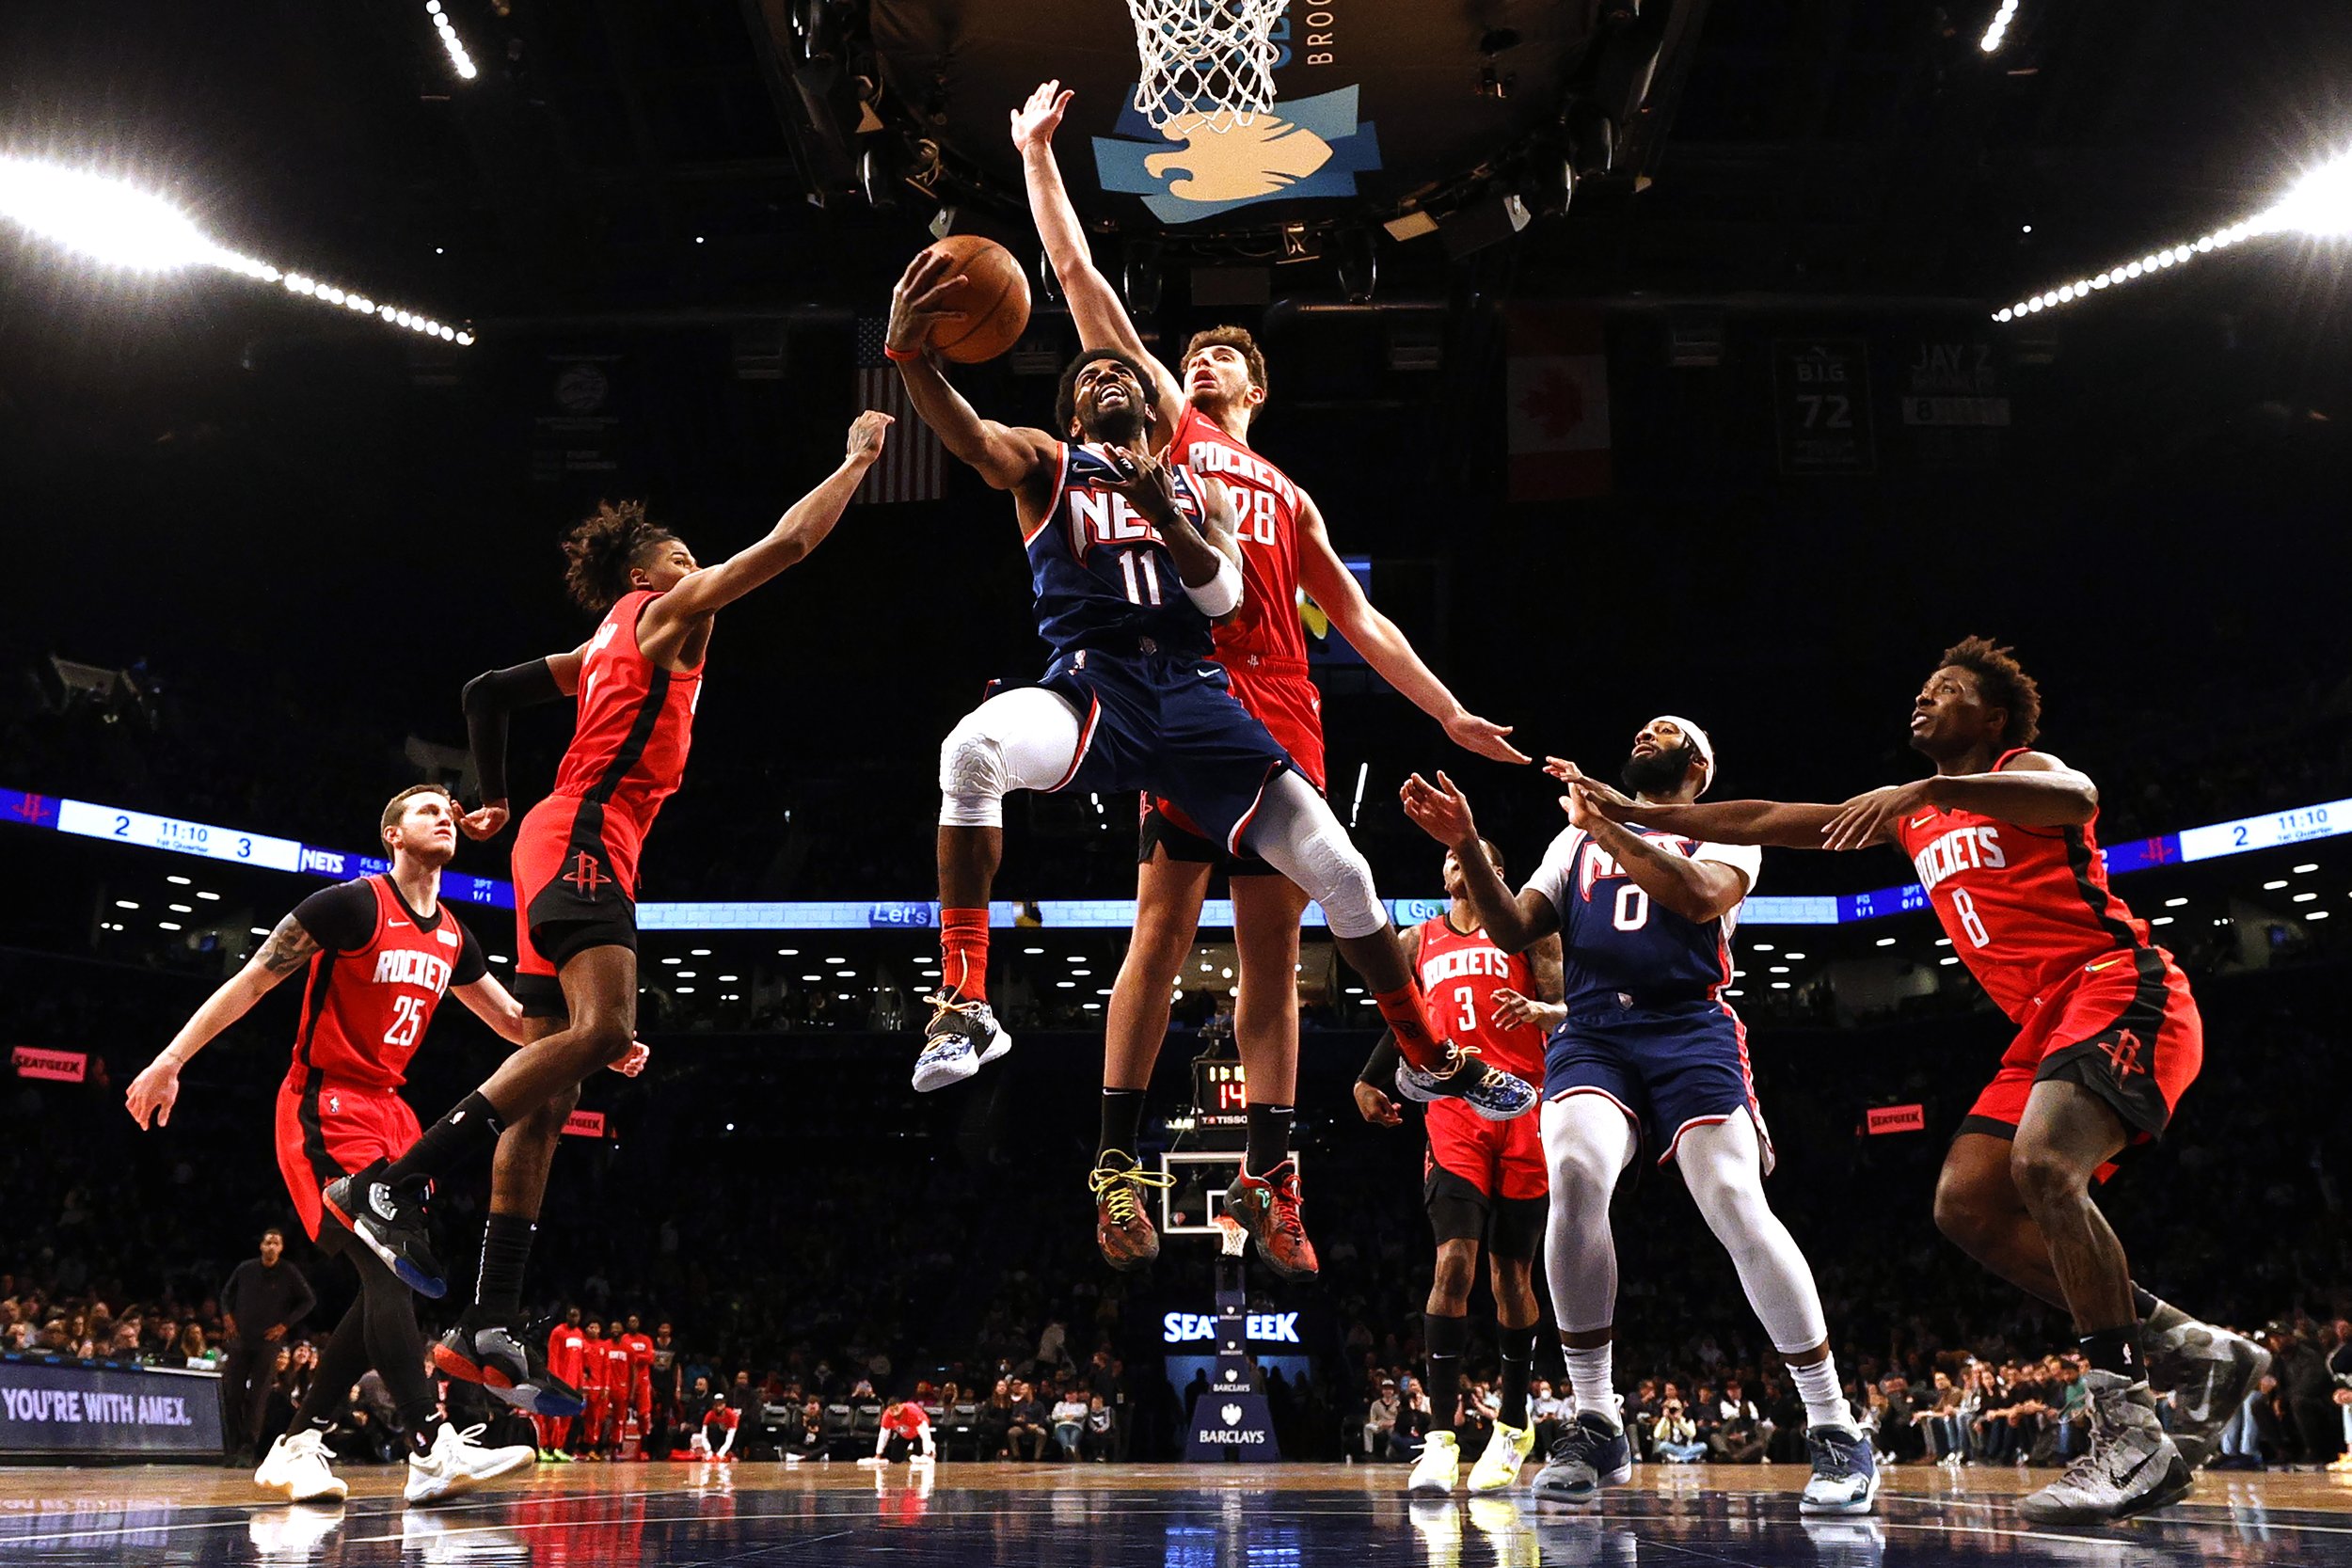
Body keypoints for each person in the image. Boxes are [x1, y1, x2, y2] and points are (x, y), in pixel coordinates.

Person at [1007, 80, 1528, 1280]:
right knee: (1158, 927)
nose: (1203, 355)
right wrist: (1039, 159)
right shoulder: (1165, 430)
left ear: (1259, 391)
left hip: (1284, 718)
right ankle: (1115, 1159)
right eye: (1191, 350)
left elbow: (1363, 618)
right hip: (1185, 698)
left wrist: (1445, 709)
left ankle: (1271, 1177)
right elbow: (1083, 281)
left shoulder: (1288, 495)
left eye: (1224, 354)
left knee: (1273, 970)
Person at [883, 256, 1534, 1208]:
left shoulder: (1208, 487)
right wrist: (907, 355)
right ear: (1071, 417)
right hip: (1094, 687)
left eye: (1116, 373)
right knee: (968, 751)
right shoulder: (1048, 463)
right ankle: (968, 1002)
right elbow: (973, 435)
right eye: (1087, 381)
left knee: (1347, 875)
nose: (1106, 378)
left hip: (1196, 698)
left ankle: (1427, 1054)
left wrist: (1163, 508)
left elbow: (1224, 594)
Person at [1570, 639, 2269, 1525]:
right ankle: (2191, 1346)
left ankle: (2128, 1431)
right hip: (2045, 1021)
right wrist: (1630, 810)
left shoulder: (2022, 771)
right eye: (1924, 689)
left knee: (2044, 1166)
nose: (1924, 700)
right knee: (1966, 1204)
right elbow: (1768, 817)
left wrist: (1936, 788)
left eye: (1948, 691)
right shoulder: (1910, 815)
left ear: (1994, 719)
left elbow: (2081, 795)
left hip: (2122, 985)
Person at [343, 413, 892, 1354]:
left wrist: (500, 798)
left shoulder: (603, 637)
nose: (697, 561)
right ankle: (395, 1181)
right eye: (683, 553)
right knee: (607, 1031)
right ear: (647, 576)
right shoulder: (671, 613)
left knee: (549, 1095)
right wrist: (857, 458)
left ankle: (490, 1317)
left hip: (562, 834)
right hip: (589, 831)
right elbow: (792, 541)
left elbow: (484, 691)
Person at [1401, 717, 1878, 1517]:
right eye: (1642, 727)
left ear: (1698, 764)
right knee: (1577, 1172)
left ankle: (1834, 1423)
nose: (1646, 730)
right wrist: (1472, 842)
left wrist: (1611, 821)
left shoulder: (1721, 833)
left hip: (1689, 1026)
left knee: (1731, 1198)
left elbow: (1695, 899)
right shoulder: (1572, 844)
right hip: (1591, 1029)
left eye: (1668, 729)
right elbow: (1516, 926)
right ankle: (1597, 1417)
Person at [120, 784, 539, 1506]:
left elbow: (510, 1021)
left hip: (391, 1115)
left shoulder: (454, 935)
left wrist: (595, 1034)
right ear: (392, 835)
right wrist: (170, 1058)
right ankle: (428, 1444)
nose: (445, 813)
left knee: (396, 1280)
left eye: (449, 807)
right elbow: (253, 982)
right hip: (323, 1105)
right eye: (425, 807)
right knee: (384, 1266)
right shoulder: (349, 905)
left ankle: (294, 1442)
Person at [1355, 842, 1561, 1497]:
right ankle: (1440, 1438)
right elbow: (1403, 1014)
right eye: (1443, 856)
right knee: (1453, 1266)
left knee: (1511, 1276)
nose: (1452, 862)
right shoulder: (1419, 940)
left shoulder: (1530, 930)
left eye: (1467, 856)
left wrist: (1545, 1017)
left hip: (1526, 1104)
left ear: (1495, 873)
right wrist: (1368, 1077)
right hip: (1453, 1111)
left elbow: (1566, 1009)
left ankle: (1515, 1424)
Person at [216, 1227, 316, 1466]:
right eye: (268, 1242)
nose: (271, 1246)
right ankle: (230, 1447)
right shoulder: (245, 1269)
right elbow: (225, 1295)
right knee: (232, 1394)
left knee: (258, 1396)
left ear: (281, 1249)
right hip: (241, 1338)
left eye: (276, 1243)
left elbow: (309, 1300)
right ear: (261, 1246)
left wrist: (285, 1325)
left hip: (268, 1342)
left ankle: (248, 1448)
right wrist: (227, 1316)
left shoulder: (288, 1272)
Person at [538, 1310, 588, 1460]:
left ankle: (559, 1447)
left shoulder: (579, 1334)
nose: (573, 1318)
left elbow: (580, 1362)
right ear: (566, 1316)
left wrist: (580, 1383)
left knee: (568, 1416)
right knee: (555, 1416)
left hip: (573, 1384)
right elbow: (552, 1357)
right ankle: (549, 1447)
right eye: (571, 1315)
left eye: (576, 1315)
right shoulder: (558, 1332)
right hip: (560, 1382)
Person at [866, 1400, 937, 1465]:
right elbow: (883, 1435)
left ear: (902, 1406)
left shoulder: (912, 1411)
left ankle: (931, 1449)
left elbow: (925, 1433)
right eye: (892, 1410)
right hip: (903, 1434)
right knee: (895, 1458)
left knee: (921, 1459)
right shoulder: (887, 1416)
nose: (895, 1413)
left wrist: (926, 1452)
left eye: (896, 1409)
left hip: (918, 1434)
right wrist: (878, 1454)